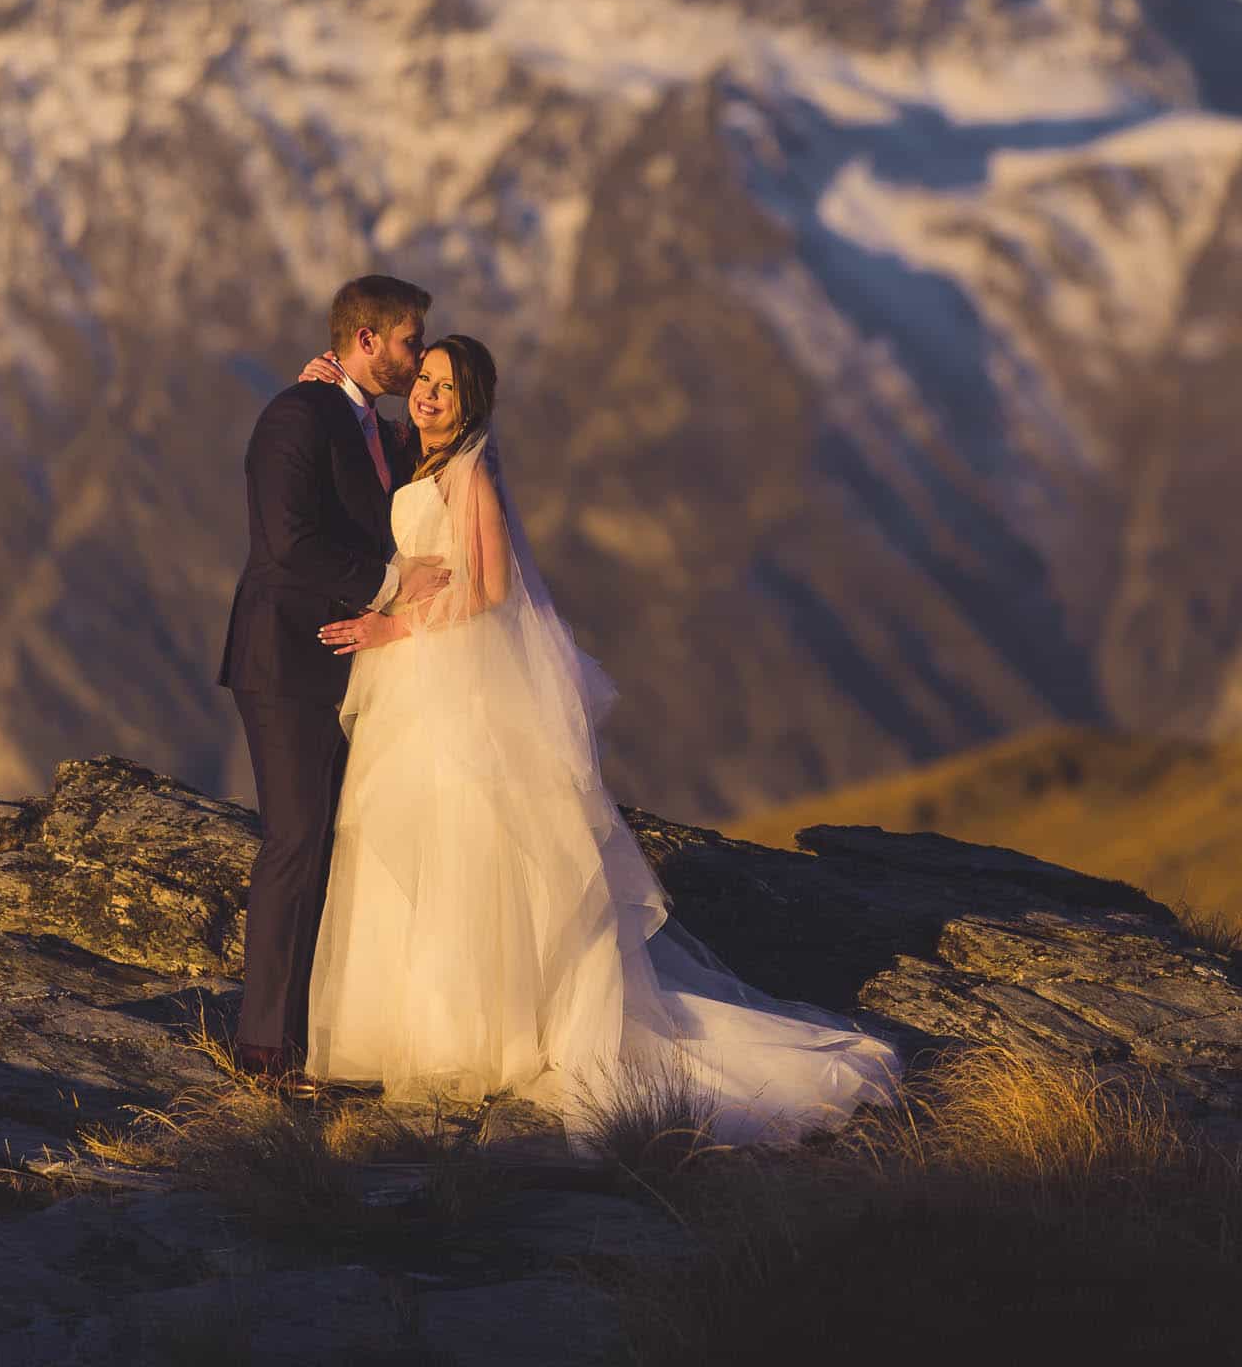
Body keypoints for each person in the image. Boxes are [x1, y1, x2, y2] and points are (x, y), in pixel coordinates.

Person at [302, 334, 901, 1144]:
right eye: (426, 381)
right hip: (415, 684)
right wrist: (331, 386)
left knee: (463, 845)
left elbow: (489, 589)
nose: (430, 395)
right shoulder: (422, 460)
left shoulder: (472, 469)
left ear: (473, 400)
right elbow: (366, 441)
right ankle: (421, 1025)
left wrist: (392, 629)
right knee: (413, 841)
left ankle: (484, 1033)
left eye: (447, 386)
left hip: (445, 680)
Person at [218, 276, 449, 1078]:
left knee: (339, 841)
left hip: (351, 661)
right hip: (284, 658)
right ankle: (262, 1045)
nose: (418, 356)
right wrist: (392, 586)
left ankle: (315, 1029)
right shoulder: (295, 415)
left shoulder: (363, 422)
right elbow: (285, 544)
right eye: (410, 340)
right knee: (294, 839)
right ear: (366, 339)